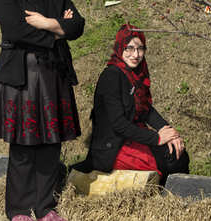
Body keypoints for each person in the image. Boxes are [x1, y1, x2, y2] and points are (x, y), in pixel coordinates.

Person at [0, 0, 84, 221]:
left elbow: (77, 24)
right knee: (23, 146)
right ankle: (18, 210)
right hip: (22, 78)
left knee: (50, 144)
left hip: (53, 74)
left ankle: (45, 208)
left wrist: (46, 23)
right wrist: (59, 30)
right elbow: (16, 31)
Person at [73, 24, 189, 183]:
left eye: (140, 48)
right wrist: (157, 138)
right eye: (129, 48)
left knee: (177, 152)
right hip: (113, 146)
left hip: (133, 136)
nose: (136, 54)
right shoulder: (111, 76)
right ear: (120, 48)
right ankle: (160, 198)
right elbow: (118, 124)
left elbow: (146, 109)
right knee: (168, 161)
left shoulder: (137, 73)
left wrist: (169, 132)